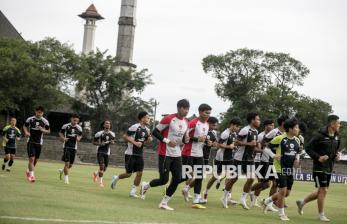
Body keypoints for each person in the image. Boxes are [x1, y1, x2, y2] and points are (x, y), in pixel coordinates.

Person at [140, 99, 190, 211]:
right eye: (185, 109)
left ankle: (164, 202)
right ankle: (146, 185)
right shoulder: (169, 118)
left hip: (177, 154)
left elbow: (183, 139)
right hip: (165, 154)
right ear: (179, 108)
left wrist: (186, 140)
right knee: (164, 180)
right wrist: (167, 141)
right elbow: (155, 131)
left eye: (188, 109)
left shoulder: (186, 122)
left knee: (177, 178)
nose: (186, 111)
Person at [296, 115, 341, 222]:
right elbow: (308, 148)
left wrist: (337, 155)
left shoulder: (337, 136)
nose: (339, 125)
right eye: (338, 123)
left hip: (330, 167)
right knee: (323, 190)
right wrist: (318, 157)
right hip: (319, 167)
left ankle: (302, 202)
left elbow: (335, 151)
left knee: (322, 191)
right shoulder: (319, 135)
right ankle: (321, 215)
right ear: (332, 124)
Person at [261, 118, 301, 221]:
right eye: (296, 127)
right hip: (278, 168)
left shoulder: (297, 140)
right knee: (282, 191)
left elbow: (297, 153)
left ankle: (266, 201)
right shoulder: (280, 138)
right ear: (290, 129)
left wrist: (297, 160)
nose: (298, 129)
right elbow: (266, 148)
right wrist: (274, 155)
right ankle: (281, 214)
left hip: (289, 169)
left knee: (286, 193)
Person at [110, 111, 152, 198]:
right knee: (128, 174)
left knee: (140, 173)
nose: (149, 119)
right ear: (142, 118)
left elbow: (146, 141)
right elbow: (125, 136)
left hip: (139, 154)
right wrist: (135, 143)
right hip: (130, 154)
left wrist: (148, 140)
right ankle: (116, 178)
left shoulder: (147, 130)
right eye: (147, 118)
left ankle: (133, 192)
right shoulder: (135, 127)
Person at [181, 104, 211, 208]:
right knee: (183, 177)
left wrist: (207, 142)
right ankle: (169, 187)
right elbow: (185, 137)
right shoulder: (193, 122)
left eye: (209, 113)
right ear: (200, 112)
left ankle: (196, 198)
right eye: (206, 112)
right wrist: (197, 139)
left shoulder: (207, 124)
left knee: (200, 176)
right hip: (188, 153)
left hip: (199, 154)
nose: (208, 115)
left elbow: (203, 138)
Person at [230, 112, 261, 209]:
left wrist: (258, 148)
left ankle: (243, 198)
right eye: (257, 119)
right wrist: (249, 144)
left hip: (250, 159)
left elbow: (253, 145)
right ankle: (225, 196)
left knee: (251, 179)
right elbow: (236, 142)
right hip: (239, 158)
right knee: (233, 179)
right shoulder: (245, 130)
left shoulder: (256, 131)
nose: (259, 121)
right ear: (252, 120)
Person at [249, 119, 274, 208]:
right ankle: (249, 191)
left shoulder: (274, 136)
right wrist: (262, 150)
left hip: (269, 162)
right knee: (263, 183)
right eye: (270, 125)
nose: (272, 127)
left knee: (267, 184)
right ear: (266, 126)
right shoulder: (260, 136)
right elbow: (254, 148)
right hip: (259, 161)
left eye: (273, 125)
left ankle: (252, 196)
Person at [23, 106, 50, 182]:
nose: (39, 114)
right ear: (35, 112)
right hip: (30, 141)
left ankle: (28, 171)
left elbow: (48, 131)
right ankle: (32, 176)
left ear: (43, 113)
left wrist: (43, 130)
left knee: (35, 160)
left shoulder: (45, 121)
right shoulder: (30, 119)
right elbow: (25, 126)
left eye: (41, 112)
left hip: (39, 142)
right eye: (38, 112)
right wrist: (26, 132)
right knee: (31, 159)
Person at [58, 114, 83, 184]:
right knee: (67, 163)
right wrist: (63, 138)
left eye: (77, 121)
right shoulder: (66, 126)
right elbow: (60, 133)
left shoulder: (79, 128)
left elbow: (80, 135)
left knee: (70, 165)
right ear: (71, 119)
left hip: (74, 147)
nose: (75, 122)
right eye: (74, 120)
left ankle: (62, 171)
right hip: (66, 147)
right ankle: (66, 180)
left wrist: (78, 138)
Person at [92, 120, 115, 187]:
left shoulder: (113, 134)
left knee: (104, 168)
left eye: (109, 123)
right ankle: (101, 182)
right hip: (100, 151)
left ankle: (96, 173)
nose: (108, 124)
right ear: (103, 125)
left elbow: (113, 141)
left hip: (107, 152)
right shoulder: (99, 133)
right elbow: (93, 142)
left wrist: (112, 142)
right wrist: (100, 144)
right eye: (106, 123)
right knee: (102, 167)